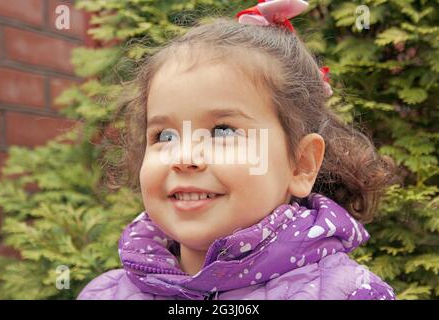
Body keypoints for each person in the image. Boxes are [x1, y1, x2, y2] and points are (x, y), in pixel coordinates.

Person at [78, 0, 396, 300]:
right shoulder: (104, 293)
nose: (184, 157)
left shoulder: (351, 293)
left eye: (222, 131)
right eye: (165, 136)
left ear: (301, 165)